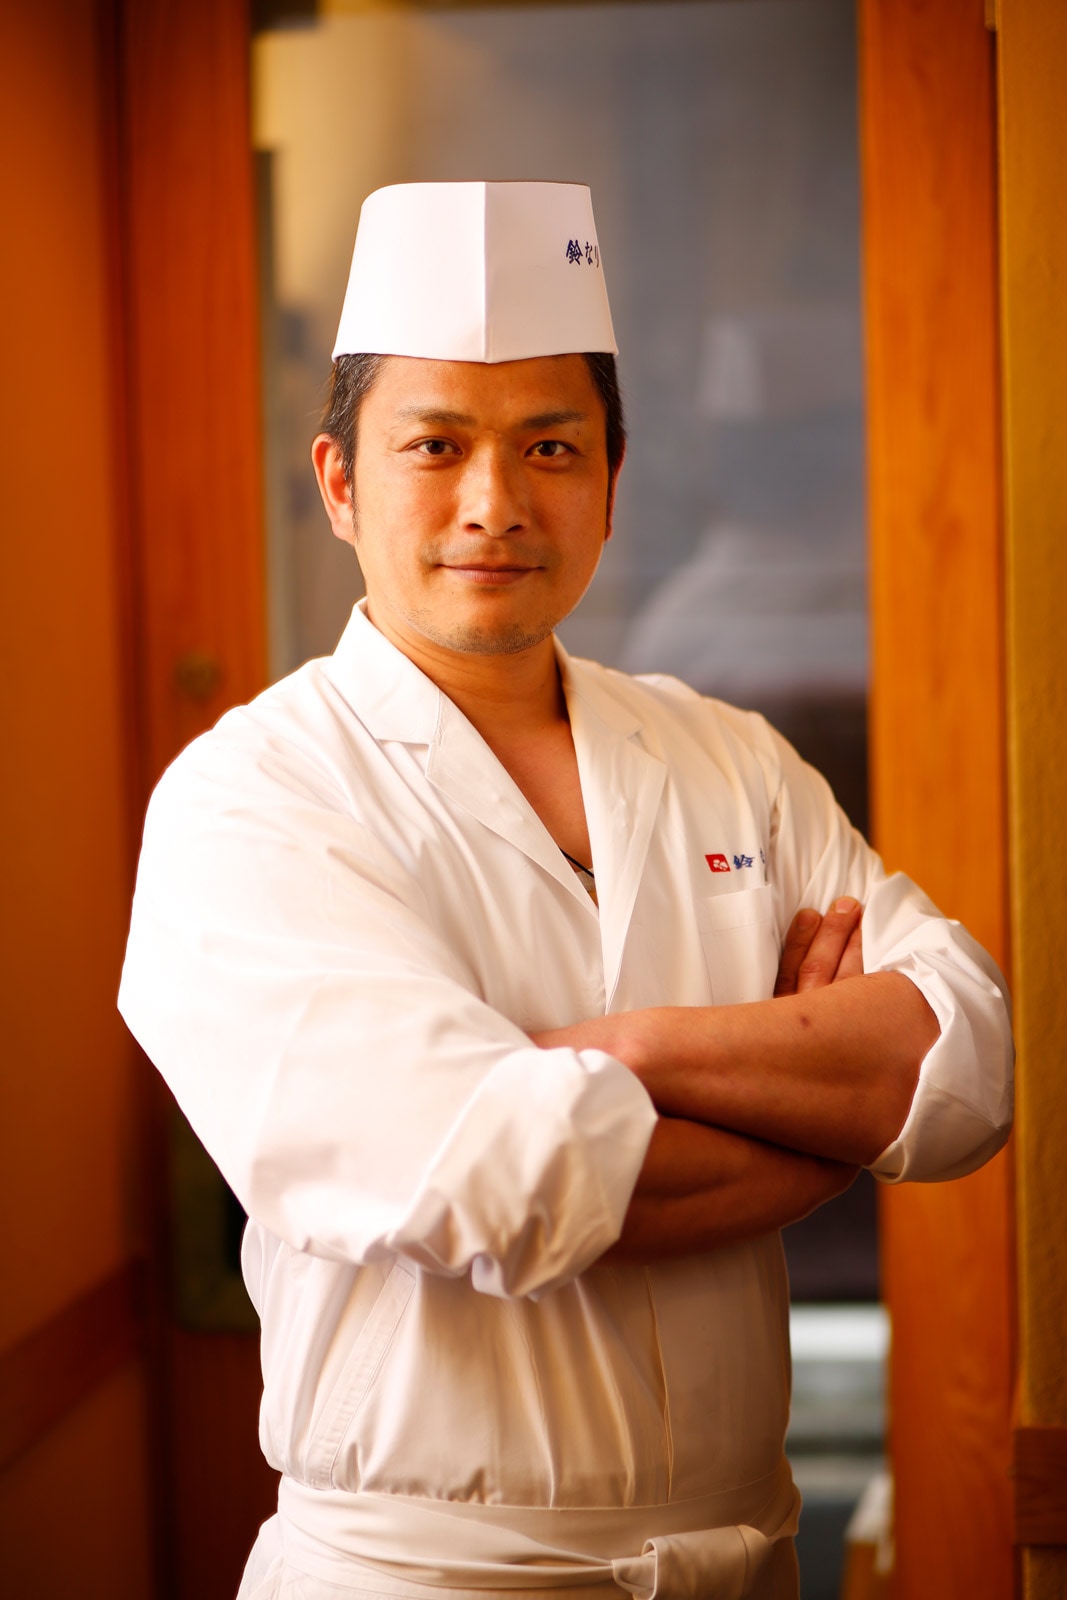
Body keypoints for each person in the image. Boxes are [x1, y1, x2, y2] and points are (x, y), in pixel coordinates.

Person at [119, 182, 1013, 1600]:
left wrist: (629, 1052)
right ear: (339, 482)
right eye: (436, 446)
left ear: (610, 481)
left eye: (550, 446)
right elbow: (501, 1180)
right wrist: (824, 1127)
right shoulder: (251, 800)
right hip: (425, 1579)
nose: (496, 503)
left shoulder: (729, 758)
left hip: (746, 1555)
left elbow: (962, 1063)